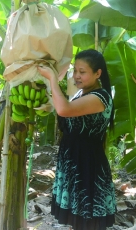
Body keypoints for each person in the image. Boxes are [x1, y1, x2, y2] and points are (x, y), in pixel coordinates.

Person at [38, 49, 116, 230]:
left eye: (83, 72)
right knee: (78, 217)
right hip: (75, 159)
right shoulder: (82, 94)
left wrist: (52, 78)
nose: (77, 76)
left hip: (87, 163)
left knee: (87, 217)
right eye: (75, 71)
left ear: (98, 74)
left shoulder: (100, 97)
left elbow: (64, 110)